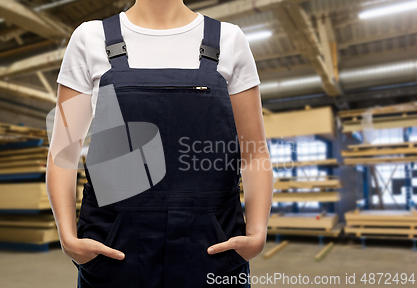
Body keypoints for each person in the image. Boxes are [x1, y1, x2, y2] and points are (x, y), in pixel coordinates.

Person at [46, 0, 274, 287]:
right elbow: (63, 151)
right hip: (115, 252)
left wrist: (256, 233)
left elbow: (254, 152)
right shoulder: (89, 38)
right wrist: (68, 238)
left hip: (213, 249)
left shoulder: (229, 40)